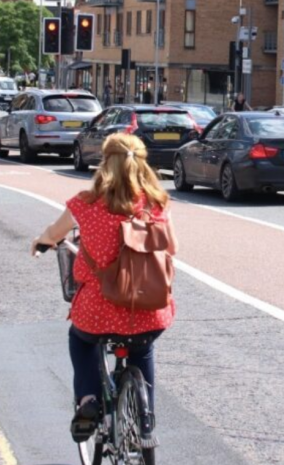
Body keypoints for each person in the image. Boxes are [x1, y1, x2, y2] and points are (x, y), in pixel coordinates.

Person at [31, 134, 177, 444]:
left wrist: (43, 240)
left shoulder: (85, 204)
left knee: (80, 342)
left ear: (105, 164)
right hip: (149, 309)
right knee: (143, 348)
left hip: (98, 311)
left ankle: (88, 401)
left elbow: (55, 233)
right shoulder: (155, 204)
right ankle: (145, 419)